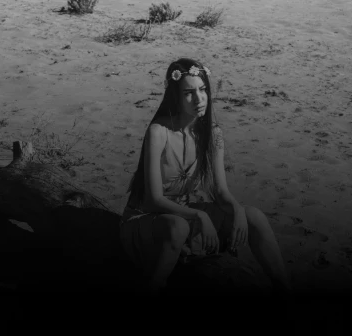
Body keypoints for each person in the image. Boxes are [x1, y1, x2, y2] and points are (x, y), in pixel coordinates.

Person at [120, 57, 292, 297]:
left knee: (254, 216)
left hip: (184, 212)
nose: (199, 99)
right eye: (189, 93)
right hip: (150, 219)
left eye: (203, 90)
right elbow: (153, 200)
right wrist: (199, 215)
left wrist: (238, 211)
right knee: (178, 227)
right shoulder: (158, 132)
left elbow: (220, 192)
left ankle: (285, 291)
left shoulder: (213, 134)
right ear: (175, 96)